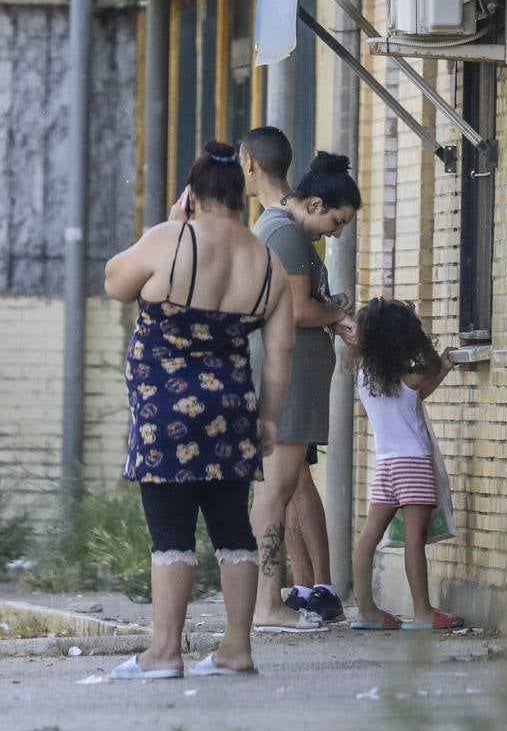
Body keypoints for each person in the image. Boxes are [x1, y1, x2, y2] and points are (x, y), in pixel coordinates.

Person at [103, 141, 294, 679]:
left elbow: (115, 282)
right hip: (232, 409)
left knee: (171, 533)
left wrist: (173, 223)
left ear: (193, 192)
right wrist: (268, 418)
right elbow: (280, 352)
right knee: (234, 529)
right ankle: (236, 648)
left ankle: (164, 652)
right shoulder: (268, 263)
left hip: (166, 412)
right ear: (240, 193)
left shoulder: (171, 238)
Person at [247, 150, 361, 633]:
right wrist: (336, 314)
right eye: (337, 222)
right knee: (274, 491)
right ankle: (267, 602)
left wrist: (329, 308)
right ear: (314, 204)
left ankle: (276, 598)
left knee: (282, 487)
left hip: (290, 379)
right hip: (286, 380)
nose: (336, 234)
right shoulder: (288, 234)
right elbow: (294, 310)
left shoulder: (286, 232)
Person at [350, 299, 465, 631]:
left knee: (368, 538)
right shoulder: (412, 375)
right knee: (415, 540)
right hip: (413, 463)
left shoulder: (365, 377)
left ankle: (366, 610)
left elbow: (414, 398)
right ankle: (423, 611)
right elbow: (427, 370)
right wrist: (436, 356)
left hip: (385, 464)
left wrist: (441, 371)